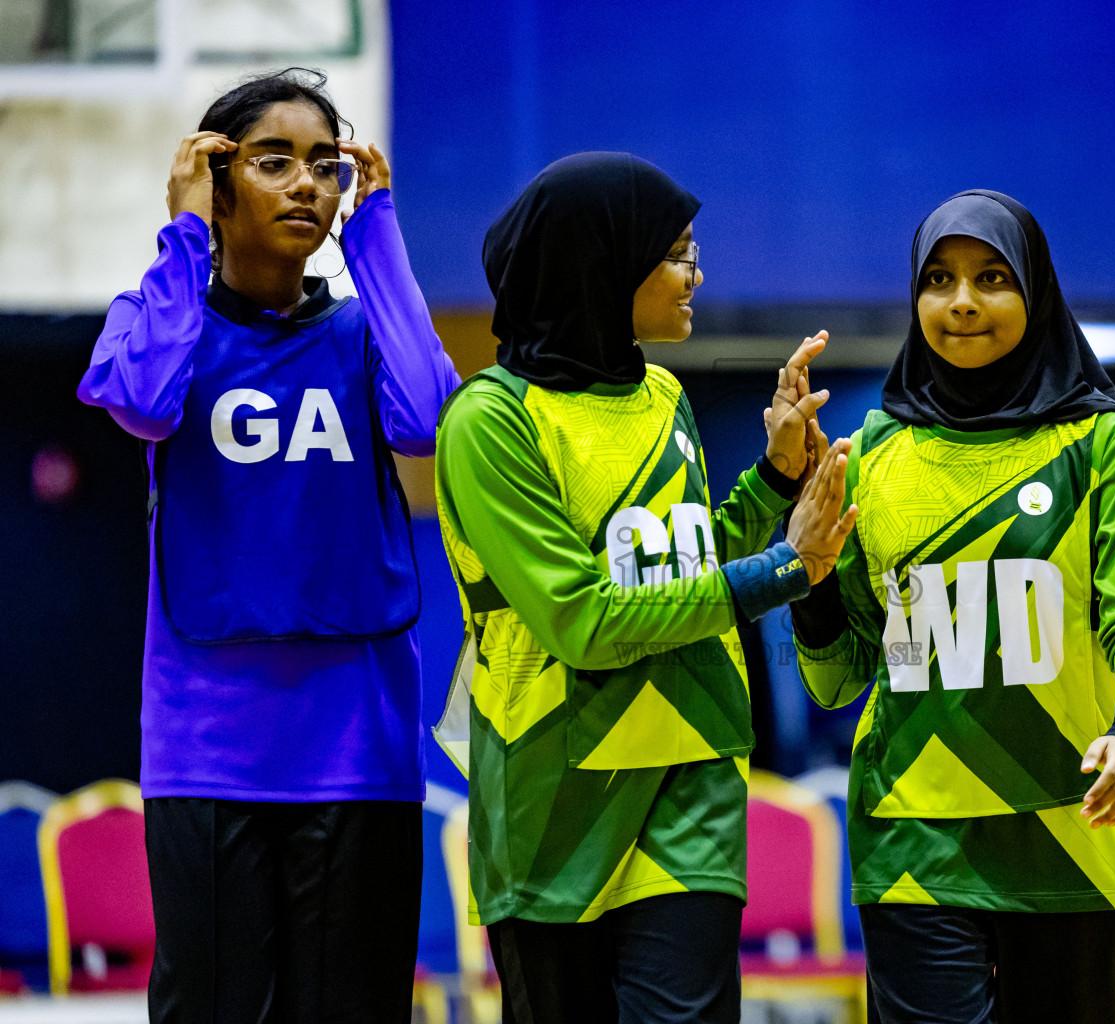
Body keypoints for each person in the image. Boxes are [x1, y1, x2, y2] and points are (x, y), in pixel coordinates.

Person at [432, 151, 857, 1024]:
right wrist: (786, 566)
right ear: (602, 265)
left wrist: (775, 481)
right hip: (556, 792)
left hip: (690, 774)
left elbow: (686, 569)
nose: (697, 276)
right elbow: (582, 619)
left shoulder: (663, 395)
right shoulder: (491, 419)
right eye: (676, 255)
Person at [76, 68, 460, 1023]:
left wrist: (377, 233)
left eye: (324, 167)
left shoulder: (366, 329)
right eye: (273, 162)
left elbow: (424, 419)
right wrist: (181, 239)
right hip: (208, 741)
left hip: (358, 741)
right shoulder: (153, 317)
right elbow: (142, 402)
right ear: (215, 179)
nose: (305, 185)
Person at [791, 190, 1115, 1024]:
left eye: (992, 277)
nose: (962, 300)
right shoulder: (875, 456)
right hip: (910, 844)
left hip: (1073, 839)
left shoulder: (1104, 446)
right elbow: (837, 678)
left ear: (1034, 294)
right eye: (939, 278)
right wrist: (812, 575)